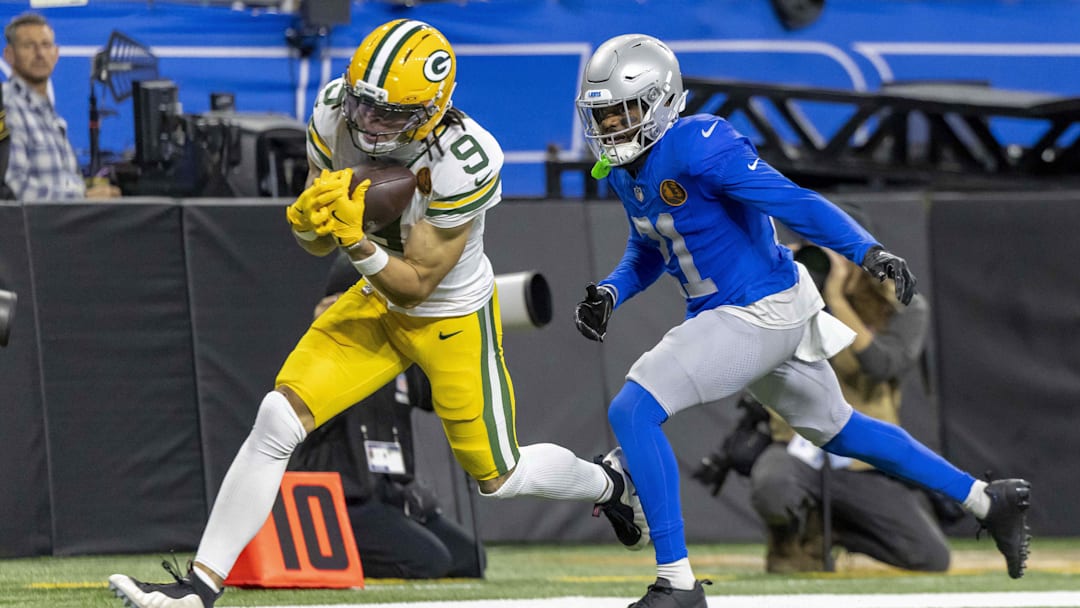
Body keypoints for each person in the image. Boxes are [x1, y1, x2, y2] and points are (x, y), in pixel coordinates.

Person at [107, 19, 638, 608]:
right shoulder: (335, 109)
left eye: (389, 115)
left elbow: (416, 284)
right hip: (375, 300)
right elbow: (318, 235)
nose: (369, 123)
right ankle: (199, 587)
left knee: (500, 476)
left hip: (448, 316)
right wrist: (313, 222)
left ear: (432, 109)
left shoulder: (467, 157)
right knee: (277, 418)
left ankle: (609, 481)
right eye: (364, 104)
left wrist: (356, 242)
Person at [571, 34, 1031, 607]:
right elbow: (650, 247)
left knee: (633, 409)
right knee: (841, 429)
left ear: (663, 102)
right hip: (751, 312)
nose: (613, 124)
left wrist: (867, 250)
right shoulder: (623, 171)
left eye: (624, 109)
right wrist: (612, 292)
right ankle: (988, 500)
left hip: (756, 309)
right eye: (603, 112)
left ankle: (678, 582)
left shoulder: (700, 145)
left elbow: (792, 200)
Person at [748, 243, 951, 573]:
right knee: (774, 487)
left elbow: (882, 364)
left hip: (863, 458)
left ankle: (841, 532)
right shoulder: (789, 295)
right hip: (798, 448)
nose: (830, 261)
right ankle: (797, 537)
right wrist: (772, 275)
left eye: (839, 249)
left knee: (930, 556)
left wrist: (837, 298)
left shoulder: (900, 304)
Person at [292, 252, 485, 579]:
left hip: (391, 494)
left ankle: (380, 544)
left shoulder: (398, 353)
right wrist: (329, 326)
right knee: (429, 561)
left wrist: (450, 336)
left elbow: (439, 395)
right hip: (344, 498)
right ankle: (332, 554)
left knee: (470, 560)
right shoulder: (329, 353)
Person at [1, 12, 119, 200]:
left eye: (45, 45)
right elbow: (13, 187)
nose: (40, 54)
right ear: (9, 55)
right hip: (34, 227)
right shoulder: (6, 106)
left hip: (63, 224)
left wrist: (93, 188)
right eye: (29, 46)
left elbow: (61, 180)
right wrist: (84, 197)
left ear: (56, 54)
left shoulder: (51, 117)